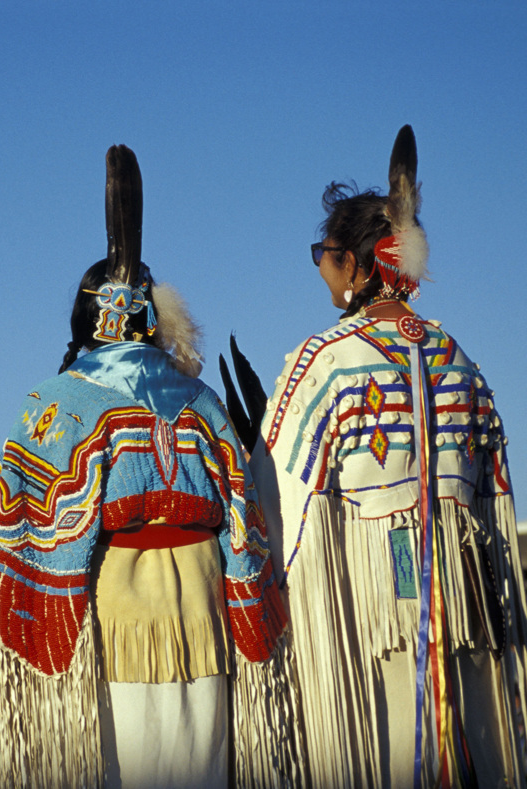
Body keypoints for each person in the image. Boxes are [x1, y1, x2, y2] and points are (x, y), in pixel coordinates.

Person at [0, 146, 293, 789]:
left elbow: (15, 533)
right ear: (152, 315)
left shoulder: (55, 404)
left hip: (112, 613)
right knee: (201, 764)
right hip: (201, 612)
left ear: (86, 318)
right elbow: (246, 533)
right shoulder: (202, 402)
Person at [251, 125, 526, 787]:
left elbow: (277, 497)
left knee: (383, 752)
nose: (321, 265)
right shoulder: (460, 360)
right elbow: (498, 505)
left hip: (367, 619)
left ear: (358, 262)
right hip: (464, 609)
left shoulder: (323, 363)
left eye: (325, 252)